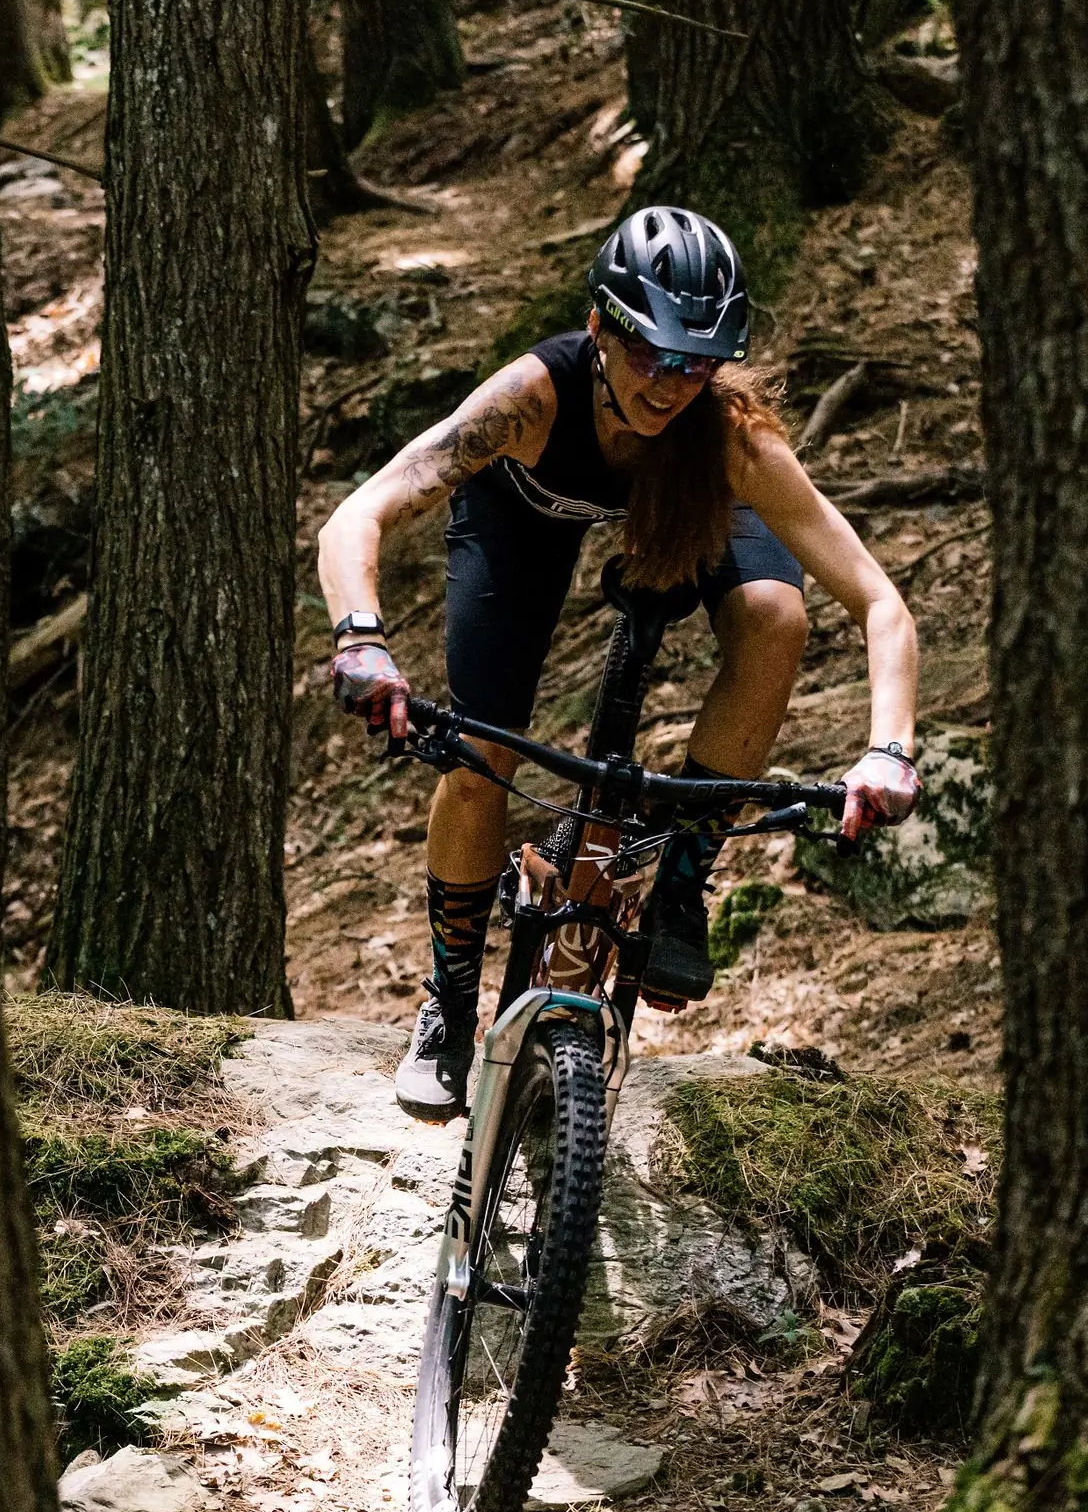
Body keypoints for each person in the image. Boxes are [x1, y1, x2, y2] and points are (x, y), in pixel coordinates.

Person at [315, 205, 924, 1112]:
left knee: (775, 615)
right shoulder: (530, 399)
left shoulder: (726, 433)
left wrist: (889, 747)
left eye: (695, 361)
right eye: (648, 351)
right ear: (600, 325)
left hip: (686, 500)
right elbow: (354, 517)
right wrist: (361, 638)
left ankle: (681, 880)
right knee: (481, 756)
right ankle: (449, 998)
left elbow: (880, 602)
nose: (669, 383)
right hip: (523, 511)